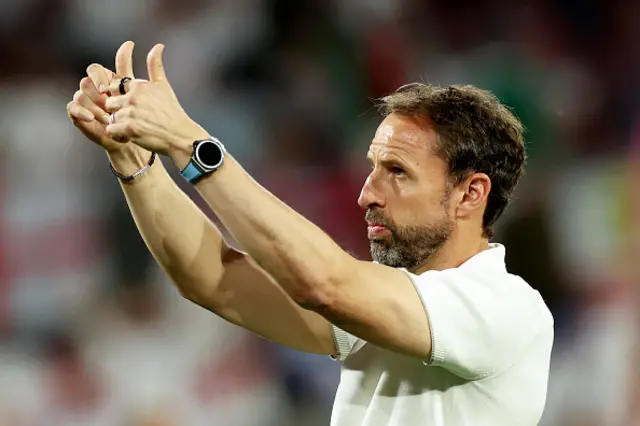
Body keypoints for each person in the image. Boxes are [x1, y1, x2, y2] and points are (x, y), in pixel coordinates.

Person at [66, 41, 554, 426]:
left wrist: (188, 144)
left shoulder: (504, 307)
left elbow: (325, 283)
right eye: (373, 167)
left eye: (397, 171)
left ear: (471, 194)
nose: (367, 193)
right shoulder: (390, 306)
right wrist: (133, 158)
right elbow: (211, 276)